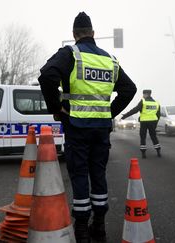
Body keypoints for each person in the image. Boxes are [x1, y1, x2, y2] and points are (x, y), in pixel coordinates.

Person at [38, 12, 137, 243]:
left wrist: (56, 107)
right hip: (101, 129)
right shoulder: (110, 60)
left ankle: (82, 229)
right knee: (98, 173)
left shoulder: (70, 54)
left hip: (77, 126)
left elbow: (47, 76)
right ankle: (99, 227)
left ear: (74, 35)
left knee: (80, 174)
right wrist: (109, 112)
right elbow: (129, 89)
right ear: (93, 34)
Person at [121, 89, 161, 158]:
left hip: (144, 122)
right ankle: (158, 152)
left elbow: (135, 110)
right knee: (153, 136)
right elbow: (158, 114)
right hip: (153, 122)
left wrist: (125, 116)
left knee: (143, 137)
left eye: (144, 94)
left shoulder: (143, 101)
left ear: (146, 94)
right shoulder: (156, 103)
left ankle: (143, 153)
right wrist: (155, 124)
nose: (143, 95)